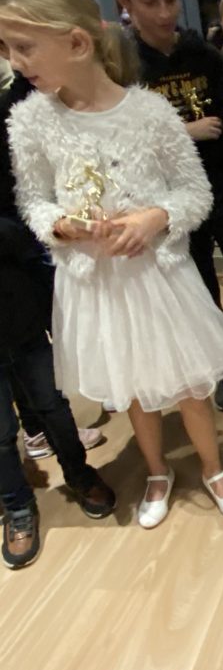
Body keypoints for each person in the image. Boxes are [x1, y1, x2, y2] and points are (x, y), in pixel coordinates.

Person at [1, 0, 223, 530]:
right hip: (97, 283)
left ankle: (212, 467)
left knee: (188, 381)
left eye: (24, 47)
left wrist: (156, 216)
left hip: (158, 275)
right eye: (8, 48)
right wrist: (63, 225)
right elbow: (33, 201)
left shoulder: (150, 113)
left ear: (77, 43)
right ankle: (157, 470)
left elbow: (195, 192)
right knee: (132, 383)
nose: (15, 61)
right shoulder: (30, 121)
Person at [112, 0, 223, 413]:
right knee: (198, 285)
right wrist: (184, 130)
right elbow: (121, 138)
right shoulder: (123, 67)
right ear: (124, 2)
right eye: (149, 1)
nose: (163, 12)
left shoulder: (202, 54)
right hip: (167, 201)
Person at [0, 40, 104, 459]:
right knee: (30, 349)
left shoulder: (20, 100)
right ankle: (39, 431)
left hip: (25, 245)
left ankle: (47, 433)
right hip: (22, 242)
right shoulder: (19, 105)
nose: (15, 58)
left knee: (35, 345)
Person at [0, 215, 116, 568]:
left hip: (20, 312)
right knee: (1, 433)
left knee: (52, 405)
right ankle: (17, 507)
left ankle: (80, 475)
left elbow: (27, 228)